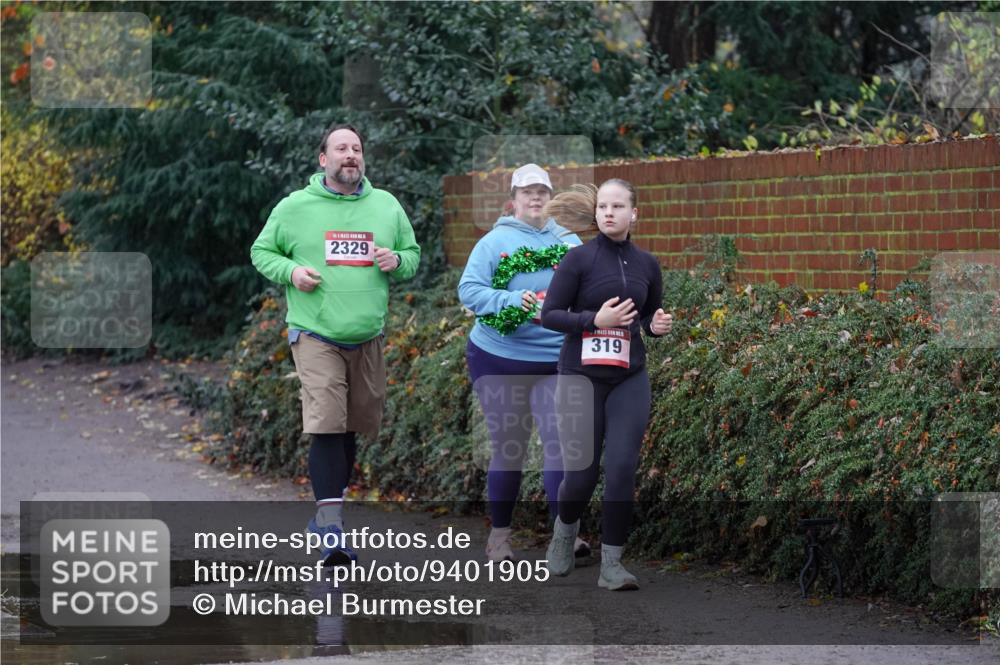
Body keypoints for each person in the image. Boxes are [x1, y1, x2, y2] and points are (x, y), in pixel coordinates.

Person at [250, 123, 420, 565]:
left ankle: (328, 512)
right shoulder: (295, 206)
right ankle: (330, 526)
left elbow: (412, 256)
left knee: (350, 425)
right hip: (315, 332)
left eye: (357, 148)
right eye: (341, 148)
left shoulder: (386, 205)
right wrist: (292, 272)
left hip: (367, 336)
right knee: (327, 421)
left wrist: (397, 260)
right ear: (323, 159)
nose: (351, 154)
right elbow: (262, 251)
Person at [540, 179, 672, 590]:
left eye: (617, 206)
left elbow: (649, 316)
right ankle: (565, 531)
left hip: (629, 377)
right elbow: (550, 315)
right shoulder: (578, 259)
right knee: (581, 475)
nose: (609, 213)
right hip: (580, 377)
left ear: (634, 214)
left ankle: (612, 565)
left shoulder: (647, 264)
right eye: (603, 207)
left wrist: (656, 325)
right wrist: (593, 321)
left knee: (621, 469)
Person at [458, 163, 590, 562]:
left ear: (551, 198)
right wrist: (513, 300)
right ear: (512, 200)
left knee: (559, 444)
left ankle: (564, 535)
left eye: (542, 191)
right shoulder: (493, 242)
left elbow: (591, 289)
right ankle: (499, 536)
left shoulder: (569, 242)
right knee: (509, 447)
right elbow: (469, 290)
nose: (535, 197)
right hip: (499, 358)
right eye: (527, 192)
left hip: (555, 358)